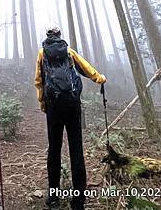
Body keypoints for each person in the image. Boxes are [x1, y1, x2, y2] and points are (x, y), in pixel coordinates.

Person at [35, 25, 107, 210]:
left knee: (54, 149)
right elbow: (86, 68)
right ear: (59, 36)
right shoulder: (68, 51)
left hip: (54, 107)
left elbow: (39, 81)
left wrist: (44, 104)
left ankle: (53, 197)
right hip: (72, 104)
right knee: (76, 149)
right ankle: (78, 200)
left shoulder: (42, 54)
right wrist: (99, 78)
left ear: (47, 36)